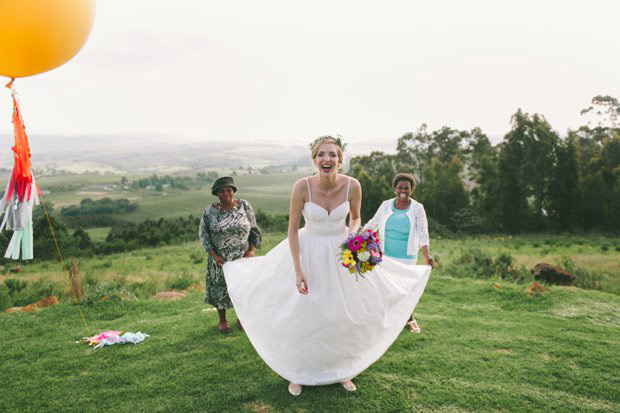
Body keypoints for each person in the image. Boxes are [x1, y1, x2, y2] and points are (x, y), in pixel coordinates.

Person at [223, 136, 431, 396]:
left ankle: (342, 370)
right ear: (314, 159)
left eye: (333, 154)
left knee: (342, 315)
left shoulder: (353, 186)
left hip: (342, 254)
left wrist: (352, 239)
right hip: (308, 251)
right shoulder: (302, 187)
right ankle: (297, 372)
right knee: (303, 315)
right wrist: (298, 269)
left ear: (340, 160)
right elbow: (292, 231)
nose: (327, 159)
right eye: (322, 154)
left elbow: (355, 219)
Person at [364, 173, 434, 334]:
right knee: (386, 289)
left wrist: (426, 255)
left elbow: (423, 232)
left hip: (407, 256)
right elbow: (373, 223)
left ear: (411, 189)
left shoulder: (417, 208)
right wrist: (357, 237)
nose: (403, 190)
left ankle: (409, 319)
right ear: (394, 189)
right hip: (385, 255)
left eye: (406, 188)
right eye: (400, 187)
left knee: (405, 290)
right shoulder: (386, 205)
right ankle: (386, 319)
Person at [199, 176, 261, 333]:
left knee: (243, 288)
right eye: (221, 191)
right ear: (216, 194)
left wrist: (251, 250)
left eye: (228, 190)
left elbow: (254, 229)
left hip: (243, 256)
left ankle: (242, 318)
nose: (225, 193)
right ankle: (222, 319)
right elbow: (204, 236)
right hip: (220, 259)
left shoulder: (244, 206)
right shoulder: (209, 212)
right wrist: (214, 256)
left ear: (233, 191)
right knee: (220, 288)